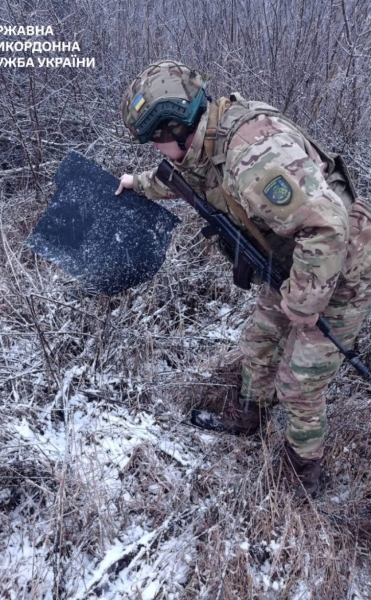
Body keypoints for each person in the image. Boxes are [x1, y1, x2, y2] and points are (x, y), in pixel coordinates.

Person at [115, 60, 371, 498]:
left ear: (174, 127)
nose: (154, 150)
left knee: (300, 382)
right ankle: (250, 416)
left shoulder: (251, 154)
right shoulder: (208, 138)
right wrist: (136, 182)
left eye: (154, 141)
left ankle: (302, 476)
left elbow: (328, 225)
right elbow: (186, 180)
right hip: (293, 259)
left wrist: (303, 305)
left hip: (342, 265)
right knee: (260, 342)